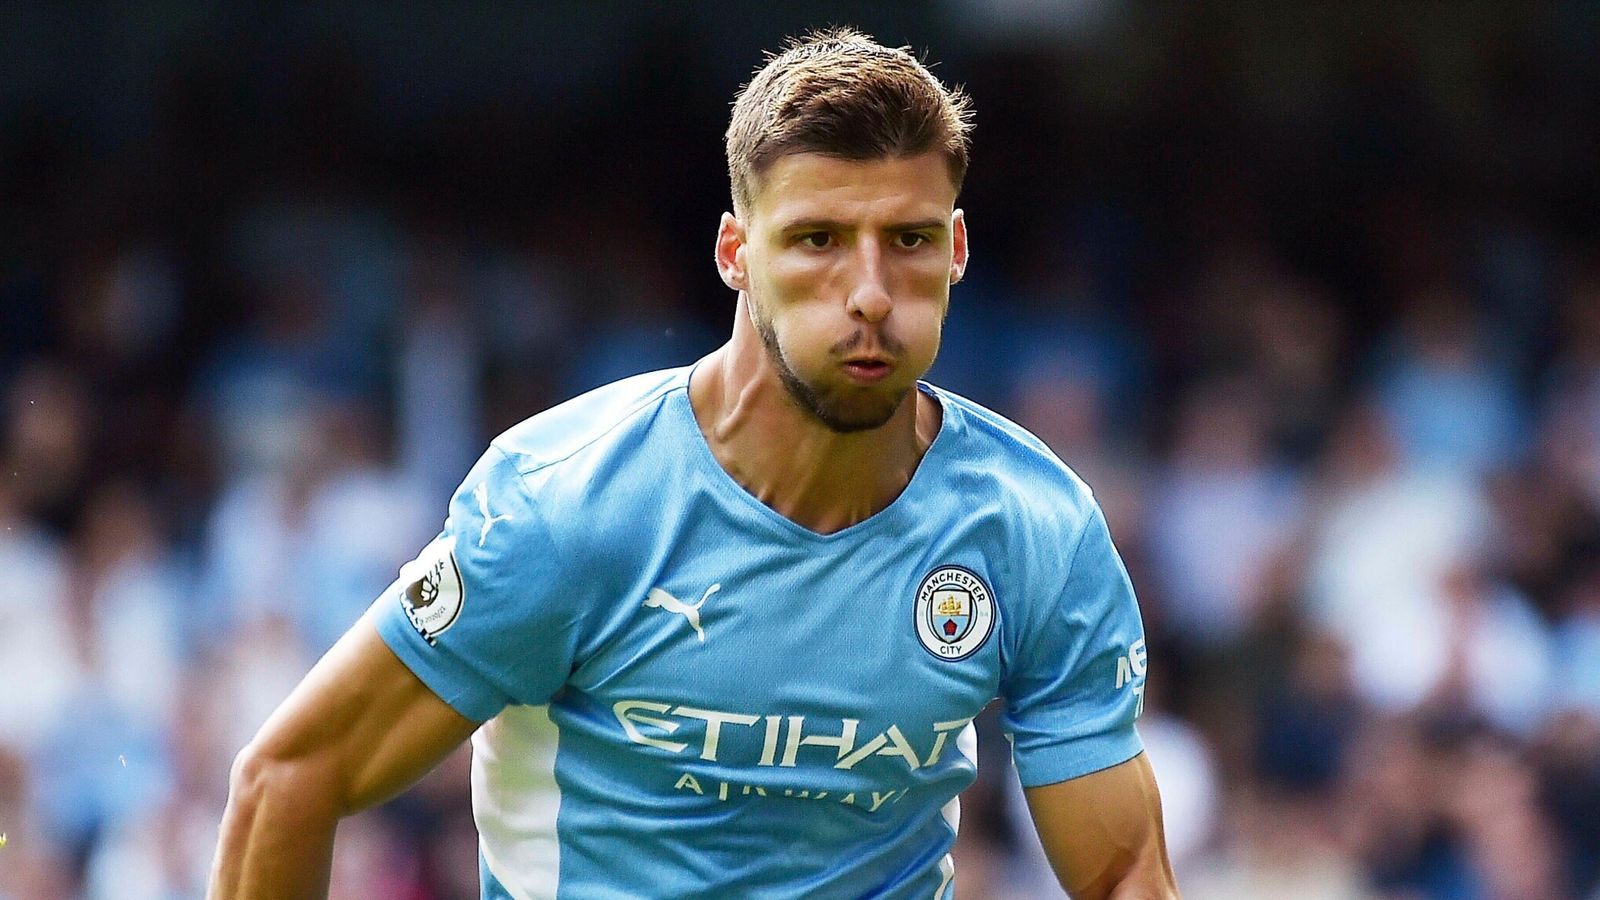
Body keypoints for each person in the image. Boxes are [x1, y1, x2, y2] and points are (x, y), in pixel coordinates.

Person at [209, 28, 1179, 899]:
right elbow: (287, 779)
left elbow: (1123, 875)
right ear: (735, 253)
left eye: (909, 241)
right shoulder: (568, 506)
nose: (871, 292)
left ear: (956, 249)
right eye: (817, 240)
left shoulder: (1036, 528)